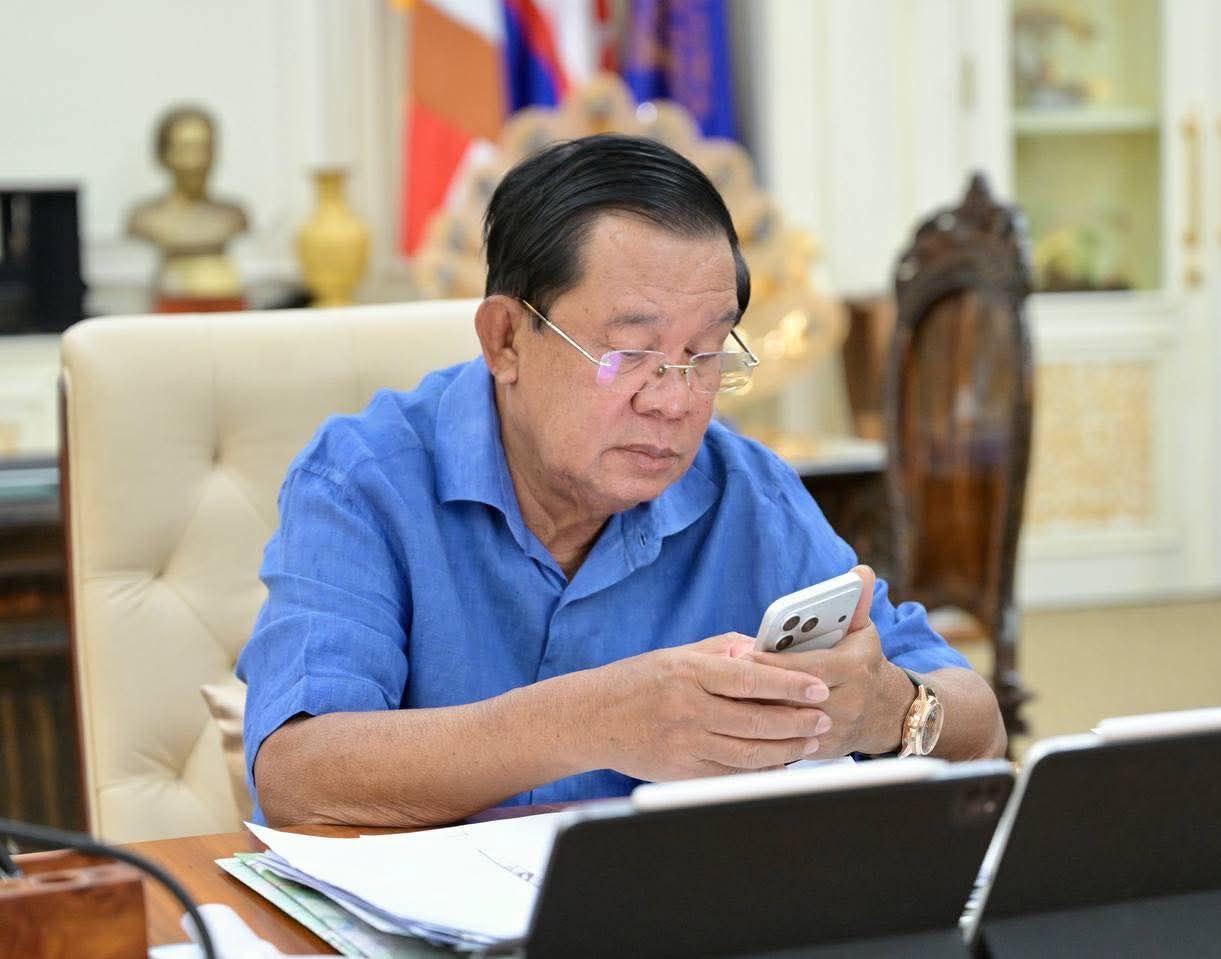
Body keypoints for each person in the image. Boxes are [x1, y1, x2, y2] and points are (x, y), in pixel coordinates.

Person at [238, 133, 1005, 827]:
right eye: (630, 354)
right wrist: (594, 720)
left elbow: (981, 723)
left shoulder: (745, 490)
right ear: (505, 339)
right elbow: (298, 775)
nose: (674, 401)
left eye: (705, 355)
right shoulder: (363, 479)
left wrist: (889, 708)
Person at [125, 105, 249, 302]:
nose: (198, 161)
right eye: (187, 149)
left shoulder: (234, 215)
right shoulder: (145, 217)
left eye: (205, 148)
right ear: (164, 155)